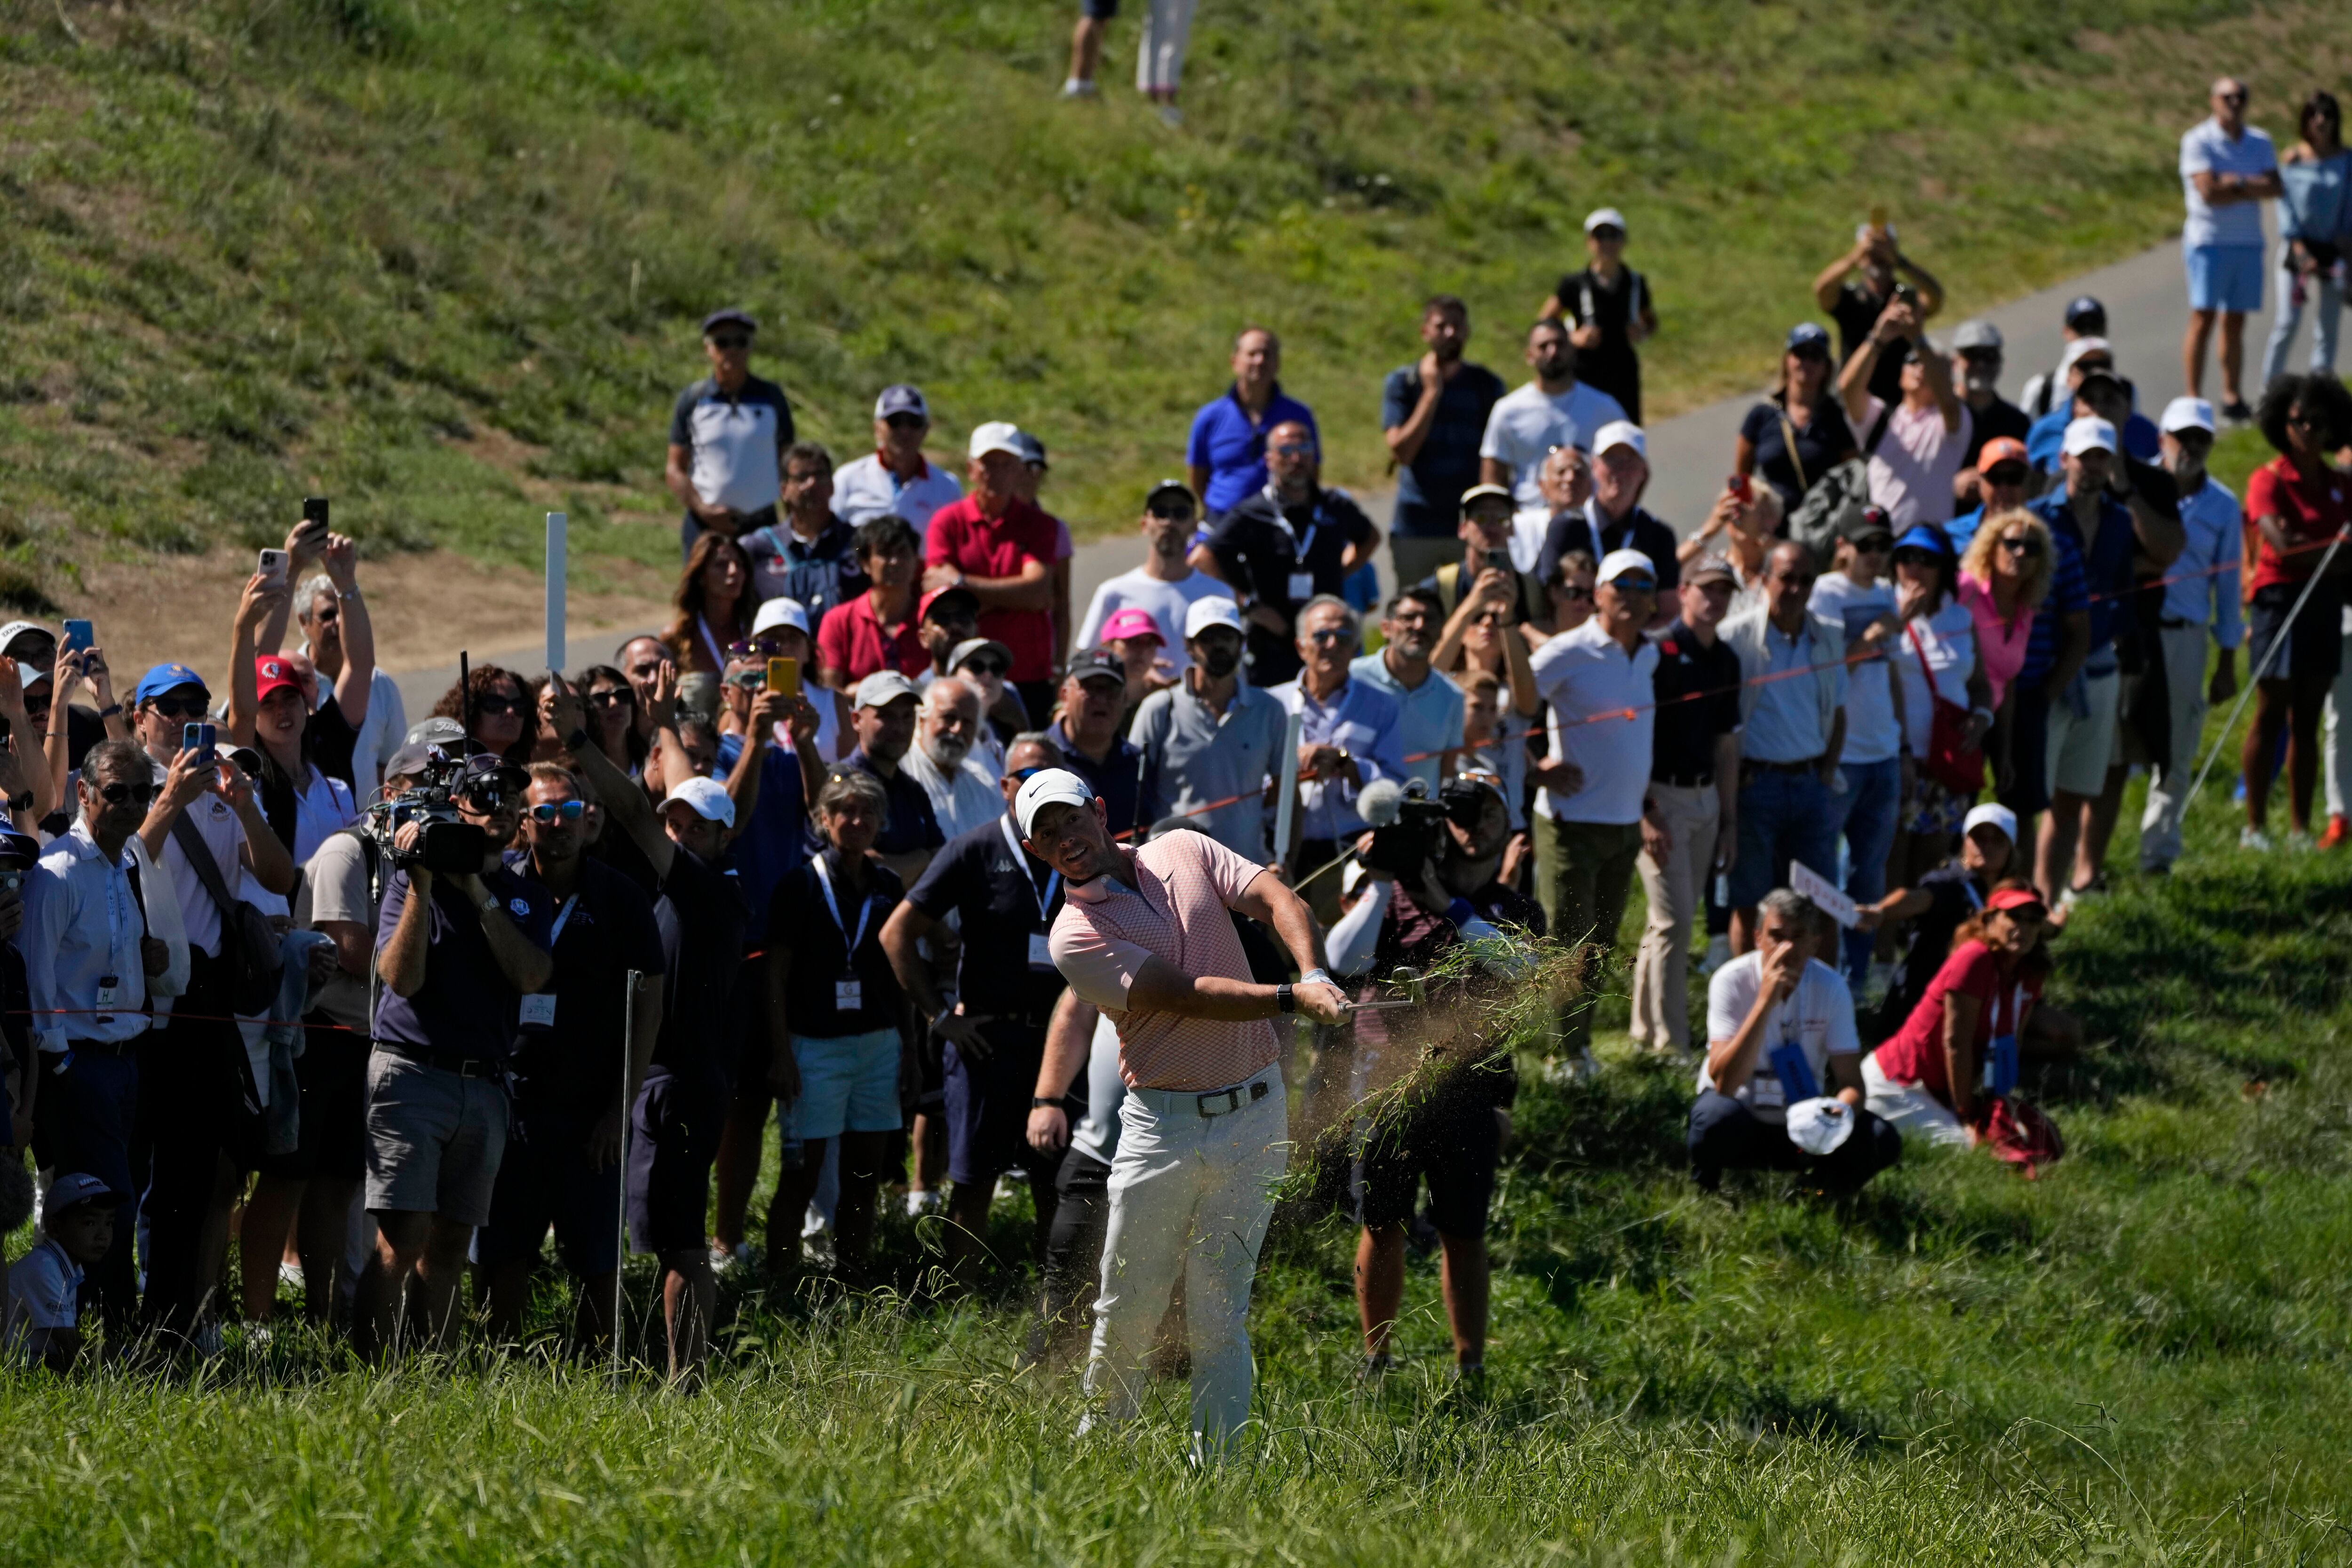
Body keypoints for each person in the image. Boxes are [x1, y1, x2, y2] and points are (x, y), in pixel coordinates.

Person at [1023, 768, 1348, 1459]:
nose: (1064, 839)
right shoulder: (1075, 935)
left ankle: (1220, 1466)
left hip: (1256, 1114)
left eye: (1070, 820)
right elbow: (1188, 994)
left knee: (1219, 1308)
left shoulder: (1183, 849)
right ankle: (1102, 1453)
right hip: (1162, 1127)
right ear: (1037, 850)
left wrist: (1314, 969)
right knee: (1130, 1302)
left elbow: (1271, 896)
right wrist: (1294, 997)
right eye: (1046, 834)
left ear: (1099, 810)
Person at [553, 670, 752, 1381]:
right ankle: (679, 1371)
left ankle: (684, 1379)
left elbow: (634, 814)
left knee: (679, 1244)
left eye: (696, 825)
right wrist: (663, 722)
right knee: (672, 1240)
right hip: (669, 1082)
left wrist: (579, 738)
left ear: (724, 836)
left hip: (683, 1085)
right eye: (675, 822)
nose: (677, 832)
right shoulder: (675, 892)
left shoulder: (708, 892)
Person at [1323, 776, 1540, 1383]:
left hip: (1470, 1087)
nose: (1475, 825)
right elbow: (1339, 959)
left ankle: (1469, 1366)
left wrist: (1447, 906)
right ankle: (1376, 1359)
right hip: (1389, 1081)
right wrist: (1385, 881)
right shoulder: (1392, 895)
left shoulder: (1514, 908)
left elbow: (1524, 969)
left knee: (1462, 1230)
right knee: (1381, 1221)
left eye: (1489, 811)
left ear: (1509, 823)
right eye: (1462, 812)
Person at [355, 750, 554, 1359]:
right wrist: (423, 881)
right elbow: (401, 978)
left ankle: (435, 1371)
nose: (502, 810)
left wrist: (477, 890)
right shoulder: (411, 881)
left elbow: (531, 976)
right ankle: (377, 1374)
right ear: (459, 807)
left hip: (485, 1085)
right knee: (401, 1239)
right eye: (486, 797)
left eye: (512, 801)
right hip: (413, 1074)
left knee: (451, 1245)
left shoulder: (523, 894)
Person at [129, 661, 296, 1343]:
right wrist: (168, 798)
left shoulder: (227, 789)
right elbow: (127, 861)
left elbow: (282, 877)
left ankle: (189, 1318)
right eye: (168, 707)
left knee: (202, 1173)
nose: (183, 718)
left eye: (196, 705)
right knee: (137, 1174)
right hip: (138, 998)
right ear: (141, 717)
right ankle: (132, 1314)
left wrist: (247, 807)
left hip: (205, 999)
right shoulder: (121, 779)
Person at [477, 763, 666, 1348]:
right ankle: (498, 1368)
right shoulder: (499, 887)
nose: (558, 825)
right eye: (544, 813)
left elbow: (648, 1007)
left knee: (594, 1262)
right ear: (522, 824)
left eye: (570, 813)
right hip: (507, 1106)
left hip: (590, 1114)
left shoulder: (620, 896)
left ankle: (595, 1376)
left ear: (590, 823)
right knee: (500, 1255)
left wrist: (619, 1110)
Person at [886, 735, 1083, 1281]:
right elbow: (896, 934)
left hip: (1060, 1046)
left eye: (1048, 774)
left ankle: (1056, 1301)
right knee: (973, 1180)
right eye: (1024, 776)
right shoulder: (972, 850)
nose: (1035, 786)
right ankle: (962, 1305)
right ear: (1004, 787)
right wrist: (939, 1016)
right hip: (986, 1043)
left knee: (1057, 1180)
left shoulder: (1076, 850)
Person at [23, 742, 159, 1335]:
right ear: (84, 793)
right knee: (107, 1205)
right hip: (79, 1065)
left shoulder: (126, 862)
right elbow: (37, 975)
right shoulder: (56, 872)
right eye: (116, 793)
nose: (131, 806)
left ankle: (86, 1325)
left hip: (127, 1058)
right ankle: (115, 1332)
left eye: (142, 794)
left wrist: (147, 956)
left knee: (112, 1202)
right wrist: (59, 1065)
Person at [2026, 418, 2185, 903]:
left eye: (2102, 456)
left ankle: (2050, 898)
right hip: (2048, 672)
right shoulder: (2037, 518)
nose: (2093, 466)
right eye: (2084, 456)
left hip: (2098, 668)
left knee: (2074, 793)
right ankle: (2023, 897)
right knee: (2035, 795)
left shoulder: (2119, 521)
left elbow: (2128, 584)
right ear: (2063, 460)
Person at [761, 767, 908, 1283]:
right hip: (814, 1047)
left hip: (877, 1045)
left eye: (868, 810)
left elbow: (900, 976)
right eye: (844, 810)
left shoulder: (889, 885)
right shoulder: (799, 884)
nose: (856, 819)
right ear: (822, 820)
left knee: (864, 1175)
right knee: (800, 1174)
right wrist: (780, 1054)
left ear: (881, 822)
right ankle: (779, 1282)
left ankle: (854, 1277)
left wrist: (909, 1051)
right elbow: (774, 976)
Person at [1527, 550, 1660, 1062]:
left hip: (1624, 824)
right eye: (1619, 585)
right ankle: (1560, 1054)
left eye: (1642, 586)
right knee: (1568, 946)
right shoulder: (1569, 649)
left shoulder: (1648, 653)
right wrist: (1535, 766)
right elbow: (1508, 708)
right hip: (1569, 825)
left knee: (1599, 946)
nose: (1630, 595)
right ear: (1597, 595)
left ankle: (1577, 1045)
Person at [1690, 888, 1899, 1194]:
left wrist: (1836, 1117)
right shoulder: (1730, 980)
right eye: (1776, 935)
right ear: (1758, 938)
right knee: (1712, 1119)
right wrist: (1764, 1002)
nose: (1787, 947)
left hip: (1803, 1120)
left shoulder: (1831, 986)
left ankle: (1818, 1191)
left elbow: (1852, 1082)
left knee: (1882, 1137)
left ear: (1816, 943)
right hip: (1742, 1114)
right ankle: (1707, 1190)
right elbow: (1726, 1083)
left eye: (1799, 936)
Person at [1630, 556, 1742, 1055]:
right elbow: (1631, 736)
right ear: (1684, 591)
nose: (1714, 600)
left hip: (1704, 800)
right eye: (1707, 589)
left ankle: (1644, 1030)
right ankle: (1673, 1043)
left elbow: (1726, 746)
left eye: (1724, 592)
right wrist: (1645, 808)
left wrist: (1728, 819)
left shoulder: (1726, 659)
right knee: (1673, 922)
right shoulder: (1657, 651)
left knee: (1670, 920)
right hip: (1661, 795)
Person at [2238, 374, 2352, 850]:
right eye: (2297, 421)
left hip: (2324, 604)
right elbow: (2280, 547)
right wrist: (2330, 550)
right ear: (2280, 423)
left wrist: (2318, 549)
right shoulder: (2267, 478)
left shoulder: (2338, 484)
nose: (2306, 430)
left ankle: (2300, 829)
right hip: (2277, 602)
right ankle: (2254, 826)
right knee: (2270, 712)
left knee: (2306, 717)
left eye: (2317, 422)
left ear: (2332, 430)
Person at [1718, 545, 1848, 957]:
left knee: (1824, 902)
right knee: (1750, 902)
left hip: (1811, 783)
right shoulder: (1736, 637)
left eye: (1805, 580)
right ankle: (1744, 1005)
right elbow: (1723, 721)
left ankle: (1824, 1005)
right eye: (1786, 577)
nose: (1795, 588)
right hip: (1757, 784)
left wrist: (1826, 770)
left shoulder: (1828, 634)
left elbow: (1839, 711)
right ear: (1766, 580)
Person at [1861, 882, 2050, 1148]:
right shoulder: (1974, 958)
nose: (2024, 928)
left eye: (2034, 920)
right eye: (2014, 917)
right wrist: (1968, 1113)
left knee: (2011, 1137)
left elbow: (2013, 1040)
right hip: (1899, 1084)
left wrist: (1996, 1102)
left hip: (1942, 1092)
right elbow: (1956, 1043)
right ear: (1990, 919)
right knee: (1974, 1150)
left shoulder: (2031, 970)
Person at [1196, 421, 1380, 688]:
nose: (1297, 458)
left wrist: (1341, 572)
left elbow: (1370, 538)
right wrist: (1248, 606)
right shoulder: (1253, 512)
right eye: (1286, 450)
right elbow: (1202, 558)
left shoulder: (1334, 506)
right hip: (1273, 642)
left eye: (1305, 448)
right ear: (1269, 459)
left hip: (1327, 639)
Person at [2140, 398, 2243, 873]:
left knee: (2177, 748)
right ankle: (2086, 863)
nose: (2192, 447)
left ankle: (2157, 853)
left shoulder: (2222, 505)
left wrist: (2225, 661)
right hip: (2132, 632)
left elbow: (2226, 588)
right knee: (2112, 750)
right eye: (2183, 437)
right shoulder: (2135, 485)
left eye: (2201, 438)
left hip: (2184, 637)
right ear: (2162, 439)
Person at [1808, 509, 1906, 985]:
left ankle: (1857, 975)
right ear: (1842, 544)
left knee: (1869, 874)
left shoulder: (1887, 592)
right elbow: (1827, 673)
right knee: (1824, 872)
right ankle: (1821, 974)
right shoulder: (1824, 592)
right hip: (1841, 755)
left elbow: (1891, 672)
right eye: (1864, 546)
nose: (1873, 557)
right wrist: (1869, 637)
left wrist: (1901, 739)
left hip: (1883, 752)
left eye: (1881, 547)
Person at [1269, 597, 1406, 923]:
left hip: (1348, 852)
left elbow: (1395, 786)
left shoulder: (1382, 706)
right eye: (1321, 636)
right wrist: (1289, 769)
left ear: (1356, 647)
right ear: (1301, 646)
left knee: (1346, 962)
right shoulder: (1272, 703)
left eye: (1344, 638)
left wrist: (1347, 763)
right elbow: (1249, 781)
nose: (1333, 645)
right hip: (1281, 856)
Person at [1129, 597, 1289, 864]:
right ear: (1189, 646)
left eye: (1228, 635)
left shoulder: (1270, 710)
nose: (1220, 645)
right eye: (1208, 637)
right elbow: (1134, 792)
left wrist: (1286, 860)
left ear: (1241, 643)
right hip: (1174, 872)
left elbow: (1287, 792)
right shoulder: (1159, 709)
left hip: (1249, 873)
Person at [924, 423, 1063, 725]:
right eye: (989, 464)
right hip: (965, 674)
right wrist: (1015, 596)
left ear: (1019, 470)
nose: (997, 473)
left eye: (1007, 465)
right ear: (971, 469)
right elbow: (939, 592)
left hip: (1028, 674)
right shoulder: (947, 522)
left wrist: (963, 585)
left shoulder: (1040, 525)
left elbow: (1039, 593)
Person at [1883, 524, 1994, 896]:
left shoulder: (1960, 619)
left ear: (1944, 567)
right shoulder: (1883, 606)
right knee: (1892, 857)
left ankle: (1917, 944)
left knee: (1932, 860)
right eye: (1906, 558)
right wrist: (1898, 619)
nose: (1914, 567)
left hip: (1946, 760)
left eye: (1926, 559)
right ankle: (1883, 948)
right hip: (1901, 757)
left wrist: (1982, 719)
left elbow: (1979, 685)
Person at [1373, 296, 1506, 591]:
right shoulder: (1403, 384)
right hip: (1416, 526)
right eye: (1441, 326)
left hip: (1469, 527)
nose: (1450, 333)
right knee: (1417, 611)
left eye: (1457, 326)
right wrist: (1432, 393)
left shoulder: (1487, 386)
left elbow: (1499, 457)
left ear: (1467, 331)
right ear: (1425, 333)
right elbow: (1402, 451)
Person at [1857, 802, 2021, 1034]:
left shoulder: (2011, 894)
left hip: (1977, 1001)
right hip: (1922, 1012)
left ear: (2011, 849)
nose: (1986, 846)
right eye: (1978, 838)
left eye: (1997, 840)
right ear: (1964, 842)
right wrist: (1881, 912)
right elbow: (1916, 898)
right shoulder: (1951, 882)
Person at [2179, 77, 2281, 418]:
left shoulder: (2260, 141)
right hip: (2209, 242)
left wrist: (2232, 183)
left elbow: (2274, 187)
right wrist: (2246, 183)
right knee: (2203, 318)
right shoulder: (2197, 140)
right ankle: (2193, 396)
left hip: (2248, 241)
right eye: (2227, 97)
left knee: (2235, 322)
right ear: (2213, 100)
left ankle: (2232, 395)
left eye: (2240, 97)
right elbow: (2208, 192)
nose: (2234, 103)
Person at [274, 533, 397, 794]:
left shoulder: (330, 730)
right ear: (304, 622)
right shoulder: (255, 735)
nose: (339, 623)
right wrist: (291, 568)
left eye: (305, 683)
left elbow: (360, 665)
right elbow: (253, 667)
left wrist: (346, 582)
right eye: (328, 615)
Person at [666, 308, 793, 556]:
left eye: (740, 342)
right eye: (722, 343)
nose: (732, 350)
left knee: (763, 595)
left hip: (762, 525)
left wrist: (793, 521)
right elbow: (674, 468)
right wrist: (703, 509)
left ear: (750, 348)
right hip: (704, 526)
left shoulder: (772, 398)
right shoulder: (694, 400)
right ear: (708, 349)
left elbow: (787, 462)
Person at [1837, 297, 1969, 527]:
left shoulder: (1952, 420)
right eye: (1913, 361)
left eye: (1929, 364)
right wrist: (1877, 339)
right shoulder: (1880, 418)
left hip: (1930, 549)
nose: (1921, 368)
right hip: (1883, 547)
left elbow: (1948, 401)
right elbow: (1848, 389)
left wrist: (1918, 340)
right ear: (1900, 375)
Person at [1478, 318, 1627, 517]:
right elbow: (1493, 476)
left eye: (1560, 344)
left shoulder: (1605, 409)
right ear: (1530, 356)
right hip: (1529, 521)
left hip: (1591, 524)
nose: (1553, 352)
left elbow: (1629, 467)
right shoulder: (1508, 411)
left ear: (1573, 349)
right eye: (1543, 346)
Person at [1075, 480, 1226, 676]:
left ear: (1194, 526)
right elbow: (1084, 665)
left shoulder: (1218, 594)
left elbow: (1235, 666)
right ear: (1144, 524)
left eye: (1181, 513)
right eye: (1160, 512)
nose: (1169, 522)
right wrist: (1135, 673)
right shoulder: (1114, 593)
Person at [1534, 422, 1678, 621]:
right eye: (1611, 460)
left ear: (1644, 471)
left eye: (1629, 462)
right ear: (1594, 467)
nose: (1619, 472)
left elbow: (1668, 612)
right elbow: (1546, 602)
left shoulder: (1658, 534)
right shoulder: (1567, 527)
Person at [2262, 92, 2349, 386]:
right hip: (2296, 249)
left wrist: (2343, 252)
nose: (2321, 121)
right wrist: (2300, 251)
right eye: (2314, 115)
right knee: (2288, 322)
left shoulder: (2346, 160)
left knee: (2328, 327)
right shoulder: (2294, 159)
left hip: (2334, 249)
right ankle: (2270, 389)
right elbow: (2284, 207)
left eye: (2327, 115)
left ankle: (2320, 386)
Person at [1540, 207, 1656, 422]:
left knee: (1625, 431)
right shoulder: (1574, 284)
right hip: (1585, 371)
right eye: (1600, 236)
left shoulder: (1635, 283)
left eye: (1614, 236)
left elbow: (1650, 321)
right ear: (1590, 242)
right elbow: (1545, 323)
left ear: (1623, 241)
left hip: (1623, 371)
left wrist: (1642, 333)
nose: (1608, 243)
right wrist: (1573, 338)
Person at [1187, 327, 1316, 519]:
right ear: (1235, 362)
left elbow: (1312, 471)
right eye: (1252, 354)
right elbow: (1197, 475)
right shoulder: (1210, 418)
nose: (1260, 360)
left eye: (1267, 354)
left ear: (1278, 363)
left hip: (1281, 522)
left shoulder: (1298, 416)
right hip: (1222, 523)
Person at [1812, 218, 1945, 405]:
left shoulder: (1904, 297)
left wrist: (1900, 261)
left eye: (1883, 254)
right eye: (1872, 254)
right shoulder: (1850, 298)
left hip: (1899, 400)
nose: (1878, 259)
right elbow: (1822, 290)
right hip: (1856, 400)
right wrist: (1856, 256)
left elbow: (1935, 298)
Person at [1349, 585, 1465, 795]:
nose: (1419, 626)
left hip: (1419, 823)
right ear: (1387, 628)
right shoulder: (1352, 678)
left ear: (1441, 632)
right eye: (1408, 618)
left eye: (1429, 619)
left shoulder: (1452, 697)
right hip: (1353, 821)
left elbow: (1447, 777)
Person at [742, 442, 868, 631]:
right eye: (802, 478)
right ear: (784, 490)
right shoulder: (758, 548)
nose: (813, 483)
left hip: (846, 655)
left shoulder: (858, 544)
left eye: (820, 475)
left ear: (833, 486)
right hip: (780, 657)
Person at [1736, 324, 1861, 513]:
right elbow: (1740, 476)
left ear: (1827, 367)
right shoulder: (1762, 414)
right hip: (1770, 526)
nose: (1807, 363)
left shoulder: (1836, 417)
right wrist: (1740, 514)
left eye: (1815, 357)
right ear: (1787, 360)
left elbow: (1853, 475)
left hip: (1818, 527)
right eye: (1800, 354)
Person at [6, 1172, 119, 1372]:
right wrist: (126, 1360)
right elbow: (71, 1352)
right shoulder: (43, 1268)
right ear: (54, 1228)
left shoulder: (67, 1267)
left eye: (109, 1223)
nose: (103, 1236)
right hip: (13, 1366)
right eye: (90, 1223)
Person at [844, 670, 946, 886]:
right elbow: (859, 871)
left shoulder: (913, 789)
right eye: (886, 716)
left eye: (908, 716)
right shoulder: (841, 784)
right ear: (856, 720)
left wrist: (901, 865)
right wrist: (923, 859)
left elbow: (944, 864)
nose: (899, 728)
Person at [1045, 650, 1151, 839]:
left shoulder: (1139, 763)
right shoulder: (1040, 759)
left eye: (1111, 690)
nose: (1101, 699)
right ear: (1064, 696)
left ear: (1125, 699)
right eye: (1091, 688)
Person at [832, 385, 963, 538]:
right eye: (895, 422)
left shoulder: (947, 487)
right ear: (878, 428)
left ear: (926, 429)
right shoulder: (847, 479)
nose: (905, 431)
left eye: (914, 422)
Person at [815, 517, 928, 690]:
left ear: (916, 560)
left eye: (903, 553)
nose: (895, 562)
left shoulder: (932, 617)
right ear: (865, 563)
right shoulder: (838, 621)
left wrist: (857, 689)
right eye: (885, 554)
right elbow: (829, 691)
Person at [2022, 340, 2162, 475]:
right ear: (2069, 377)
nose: (2099, 407)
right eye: (2085, 366)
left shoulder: (2143, 429)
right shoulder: (2045, 431)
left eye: (2103, 364)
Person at [1947, 320, 2034, 513]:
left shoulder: (2017, 422)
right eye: (1972, 356)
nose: (1981, 365)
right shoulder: (1939, 417)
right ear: (1955, 363)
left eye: (1990, 357)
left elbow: (2030, 480)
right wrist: (1948, 486)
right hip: (1948, 524)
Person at [904, 676, 1002, 841]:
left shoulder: (984, 781)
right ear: (922, 720)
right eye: (949, 717)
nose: (957, 729)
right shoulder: (902, 771)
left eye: (968, 722)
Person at [2018, 296, 2108, 420]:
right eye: (2081, 328)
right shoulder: (2041, 390)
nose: (2088, 333)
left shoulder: (2126, 390)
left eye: (2094, 326)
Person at [430, 663, 535, 769]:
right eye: (495, 704)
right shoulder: (445, 769)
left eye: (519, 705)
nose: (511, 711)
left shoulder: (522, 777)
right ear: (470, 710)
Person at [1945, 435, 2033, 557]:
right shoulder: (1951, 535)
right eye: (1995, 478)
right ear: (1980, 482)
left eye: (2014, 478)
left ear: (2028, 482)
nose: (2004, 488)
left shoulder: (2045, 535)